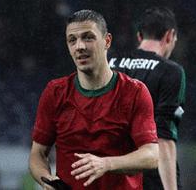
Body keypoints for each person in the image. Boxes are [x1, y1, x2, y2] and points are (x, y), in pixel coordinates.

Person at [29, 10, 159, 190]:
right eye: (72, 40)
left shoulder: (134, 92)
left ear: (107, 41)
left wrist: (106, 164)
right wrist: (47, 180)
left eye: (88, 37)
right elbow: (37, 154)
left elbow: (151, 156)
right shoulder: (55, 93)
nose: (79, 46)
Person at [109, 7, 186, 190]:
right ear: (169, 35)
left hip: (111, 172)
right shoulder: (171, 72)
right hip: (149, 174)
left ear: (139, 36)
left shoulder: (110, 64)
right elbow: (164, 139)